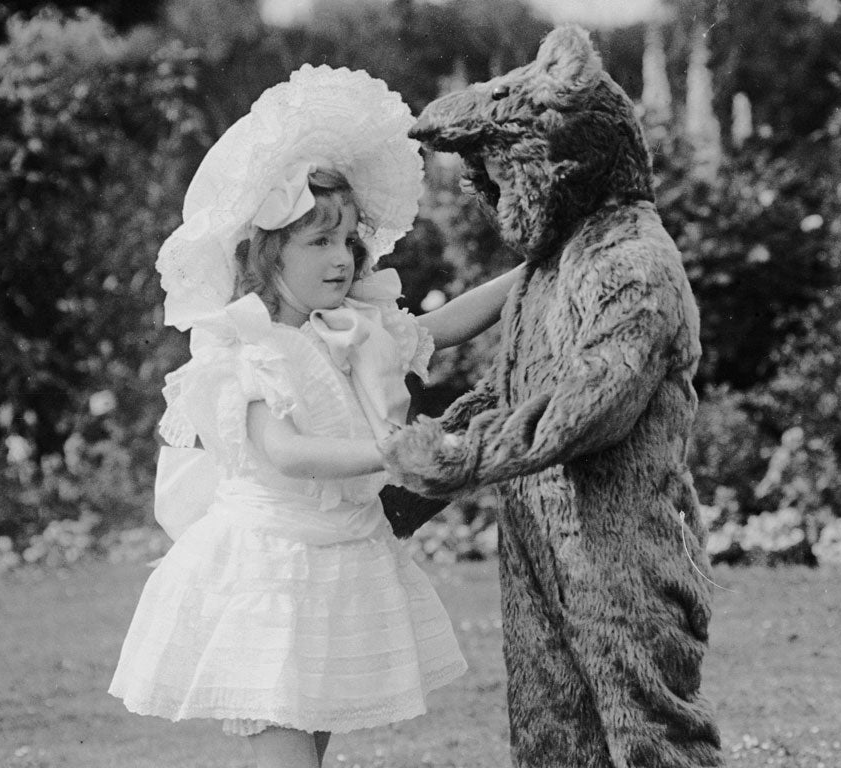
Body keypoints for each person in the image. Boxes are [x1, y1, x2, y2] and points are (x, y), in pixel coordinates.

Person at [108, 64, 519, 768]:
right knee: (286, 752)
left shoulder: (355, 327)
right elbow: (288, 452)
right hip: (271, 570)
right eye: (319, 242)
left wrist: (535, 270)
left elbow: (444, 325)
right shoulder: (249, 346)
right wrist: (393, 451)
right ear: (267, 256)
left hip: (341, 559)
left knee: (314, 742)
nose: (342, 258)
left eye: (349, 241)